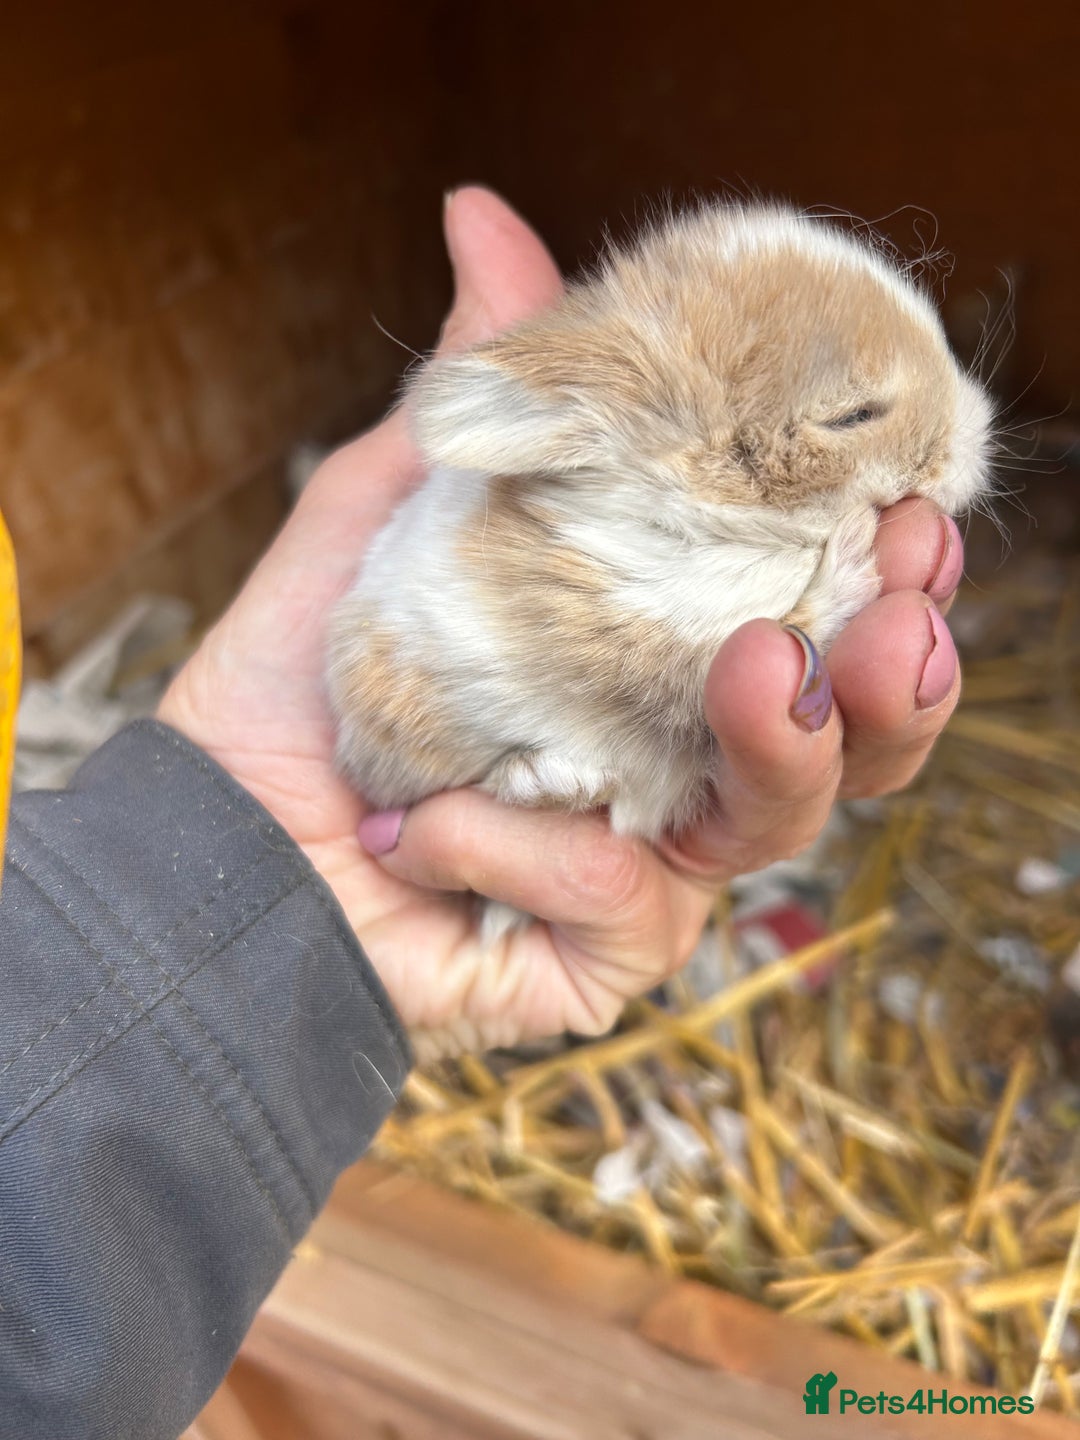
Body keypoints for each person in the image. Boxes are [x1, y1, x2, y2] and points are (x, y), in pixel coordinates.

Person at [0, 187, 964, 1440]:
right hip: (443, 734)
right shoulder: (629, 533)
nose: (955, 448)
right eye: (856, 415)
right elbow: (649, 635)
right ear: (681, 432)